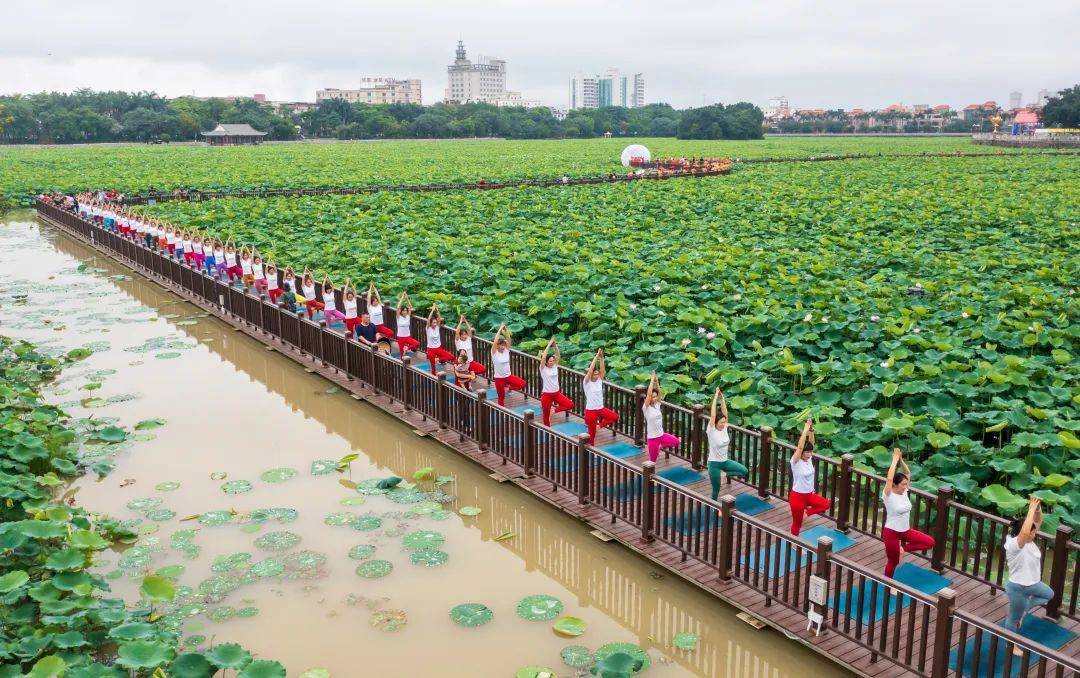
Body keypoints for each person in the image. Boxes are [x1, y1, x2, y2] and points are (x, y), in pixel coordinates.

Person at [1005, 497, 1053, 645]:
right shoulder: (1013, 545)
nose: (1034, 533)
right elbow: (1025, 533)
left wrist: (1037, 509)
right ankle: (1010, 645)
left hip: (1033, 584)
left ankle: (1025, 608)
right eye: (1032, 532)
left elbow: (1038, 521)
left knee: (1049, 594)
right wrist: (1030, 510)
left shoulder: (1029, 540)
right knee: (1013, 619)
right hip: (1018, 587)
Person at [882, 448, 935, 578]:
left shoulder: (904, 491)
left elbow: (907, 472)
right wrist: (894, 460)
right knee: (893, 562)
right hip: (891, 532)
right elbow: (889, 479)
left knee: (930, 542)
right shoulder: (888, 495)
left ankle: (903, 549)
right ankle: (888, 583)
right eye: (903, 484)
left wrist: (900, 459)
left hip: (905, 531)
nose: (906, 487)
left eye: (906, 484)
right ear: (895, 485)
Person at [789, 418, 831, 536]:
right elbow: (800, 447)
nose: (809, 454)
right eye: (806, 452)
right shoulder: (795, 461)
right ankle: (794, 542)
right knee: (797, 524)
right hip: (797, 497)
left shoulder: (808, 459)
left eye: (810, 452)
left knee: (826, 504)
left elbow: (811, 443)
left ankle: (806, 513)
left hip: (809, 495)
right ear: (801, 453)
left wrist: (811, 429)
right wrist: (805, 430)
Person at [707, 388, 748, 500]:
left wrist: (722, 398)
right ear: (715, 422)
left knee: (744, 471)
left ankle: (725, 474)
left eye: (725, 422)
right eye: (721, 422)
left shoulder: (724, 428)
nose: (724, 424)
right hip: (714, 464)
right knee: (716, 490)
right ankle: (714, 507)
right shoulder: (711, 430)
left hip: (725, 462)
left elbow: (725, 412)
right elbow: (713, 415)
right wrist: (715, 396)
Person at [582, 349, 618, 445]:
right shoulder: (587, 382)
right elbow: (590, 371)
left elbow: (603, 370)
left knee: (614, 417)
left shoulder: (599, 380)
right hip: (591, 411)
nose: (597, 375)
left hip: (600, 408)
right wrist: (596, 356)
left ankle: (599, 426)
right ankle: (590, 451)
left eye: (597, 374)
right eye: (595, 374)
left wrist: (601, 358)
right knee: (592, 435)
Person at [643, 372, 680, 463]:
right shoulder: (646, 408)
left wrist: (657, 381)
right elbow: (648, 394)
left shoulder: (657, 405)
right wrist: (652, 380)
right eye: (652, 397)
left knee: (676, 441)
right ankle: (650, 477)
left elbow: (659, 393)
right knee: (652, 462)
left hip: (661, 435)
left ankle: (660, 446)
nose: (654, 399)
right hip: (652, 438)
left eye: (655, 397)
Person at [538, 339, 574, 427]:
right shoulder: (543, 368)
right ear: (546, 362)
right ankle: (547, 429)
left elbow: (558, 355)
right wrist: (549, 344)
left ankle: (553, 410)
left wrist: (555, 346)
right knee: (546, 416)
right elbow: (543, 357)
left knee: (569, 404)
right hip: (547, 395)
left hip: (556, 393)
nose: (552, 362)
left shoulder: (555, 366)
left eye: (553, 361)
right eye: (550, 361)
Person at [490, 323, 525, 406]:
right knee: (501, 397)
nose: (502, 347)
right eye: (500, 345)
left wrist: (505, 329)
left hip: (508, 376)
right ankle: (501, 412)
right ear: (497, 346)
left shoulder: (506, 351)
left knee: (522, 384)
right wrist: (500, 328)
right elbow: (495, 341)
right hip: (499, 378)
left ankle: (508, 388)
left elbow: (509, 339)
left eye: (503, 345)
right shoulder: (494, 353)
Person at [424, 306, 455, 375]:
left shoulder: (437, 327)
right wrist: (432, 310)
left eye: (436, 322)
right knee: (433, 368)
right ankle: (434, 377)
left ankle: (438, 360)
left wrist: (437, 309)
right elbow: (428, 319)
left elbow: (439, 318)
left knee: (451, 356)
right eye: (433, 323)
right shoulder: (428, 329)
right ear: (430, 323)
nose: (435, 324)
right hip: (431, 349)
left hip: (438, 348)